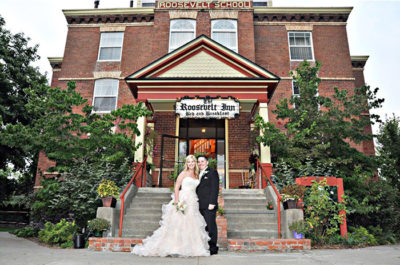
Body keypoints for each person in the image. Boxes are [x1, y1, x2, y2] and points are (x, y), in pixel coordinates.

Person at [132, 155, 210, 257]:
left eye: (192, 162)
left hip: (193, 201)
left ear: (195, 163)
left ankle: (189, 248)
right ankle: (174, 247)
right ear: (186, 163)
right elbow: (177, 187)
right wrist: (177, 201)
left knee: (191, 223)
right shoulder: (183, 173)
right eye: (188, 162)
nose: (190, 164)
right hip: (183, 199)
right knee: (178, 222)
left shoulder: (196, 174)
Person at [196, 155, 219, 255]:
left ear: (207, 162)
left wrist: (212, 203)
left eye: (202, 161)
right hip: (198, 205)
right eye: (199, 162)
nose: (200, 163)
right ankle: (204, 246)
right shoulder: (197, 173)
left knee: (210, 226)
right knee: (202, 227)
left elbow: (215, 188)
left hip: (208, 205)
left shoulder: (212, 172)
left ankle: (213, 248)